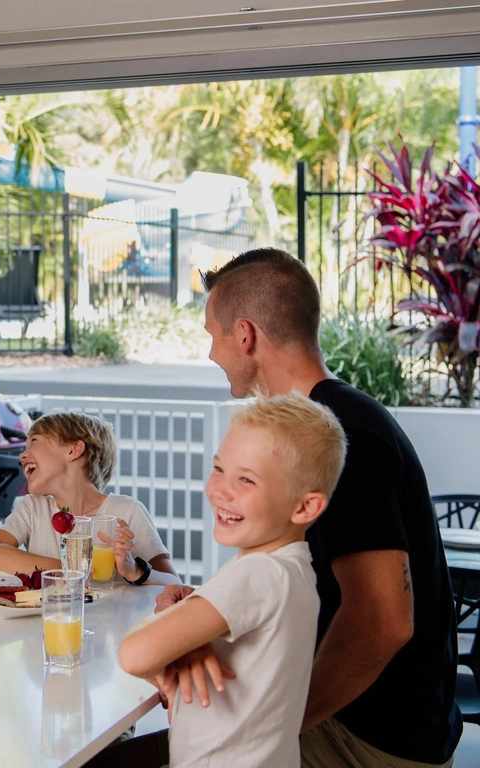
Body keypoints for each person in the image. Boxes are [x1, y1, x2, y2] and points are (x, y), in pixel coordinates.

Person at [159, 248, 461, 767]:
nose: (211, 353)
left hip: (370, 740)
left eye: (214, 335)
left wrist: (276, 720)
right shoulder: (320, 426)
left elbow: (385, 620)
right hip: (369, 722)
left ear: (246, 335)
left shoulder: (343, 438)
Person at [90, 393, 346, 768]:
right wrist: (188, 630)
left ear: (305, 507)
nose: (221, 490)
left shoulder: (259, 573)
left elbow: (134, 653)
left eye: (246, 479)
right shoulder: (293, 569)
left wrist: (174, 640)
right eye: (219, 468)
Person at [0, 412, 180, 587]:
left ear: (74, 450)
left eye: (34, 442)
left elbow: (174, 583)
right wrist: (72, 571)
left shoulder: (127, 511)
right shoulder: (33, 507)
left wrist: (134, 570)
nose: (22, 456)